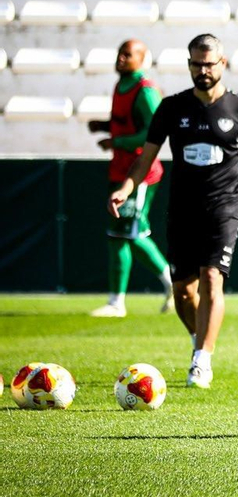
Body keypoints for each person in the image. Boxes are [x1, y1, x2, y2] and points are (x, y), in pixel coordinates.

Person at [108, 34, 238, 388]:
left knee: (212, 278)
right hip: (183, 208)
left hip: (224, 207)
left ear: (223, 63)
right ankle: (198, 340)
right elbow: (147, 155)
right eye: (196, 64)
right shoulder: (172, 108)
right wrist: (128, 187)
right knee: (184, 292)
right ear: (189, 65)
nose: (202, 70)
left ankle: (202, 361)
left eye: (209, 63)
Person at [86, 39, 174, 317]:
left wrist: (116, 141)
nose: (121, 59)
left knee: (133, 233)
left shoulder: (145, 91)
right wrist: (104, 126)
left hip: (141, 174)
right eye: (119, 54)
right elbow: (126, 121)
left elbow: (154, 134)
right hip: (119, 170)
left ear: (142, 59)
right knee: (117, 236)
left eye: (128, 55)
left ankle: (173, 283)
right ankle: (116, 301)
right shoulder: (120, 86)